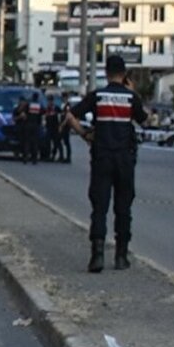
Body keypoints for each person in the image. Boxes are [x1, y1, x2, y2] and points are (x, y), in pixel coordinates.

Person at [66, 55, 148, 272]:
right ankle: (121, 256)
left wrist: (84, 134)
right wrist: (133, 92)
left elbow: (71, 115)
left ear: (106, 72)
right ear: (125, 74)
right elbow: (145, 120)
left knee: (99, 208)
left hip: (101, 158)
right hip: (124, 160)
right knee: (123, 208)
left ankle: (97, 256)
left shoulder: (98, 96)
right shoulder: (131, 98)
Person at [45, 96, 64, 162]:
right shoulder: (48, 108)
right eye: (49, 101)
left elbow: (60, 116)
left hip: (55, 128)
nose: (50, 102)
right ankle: (49, 156)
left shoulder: (56, 108)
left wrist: (60, 126)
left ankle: (60, 156)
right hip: (49, 128)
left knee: (57, 142)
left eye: (51, 101)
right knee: (48, 142)